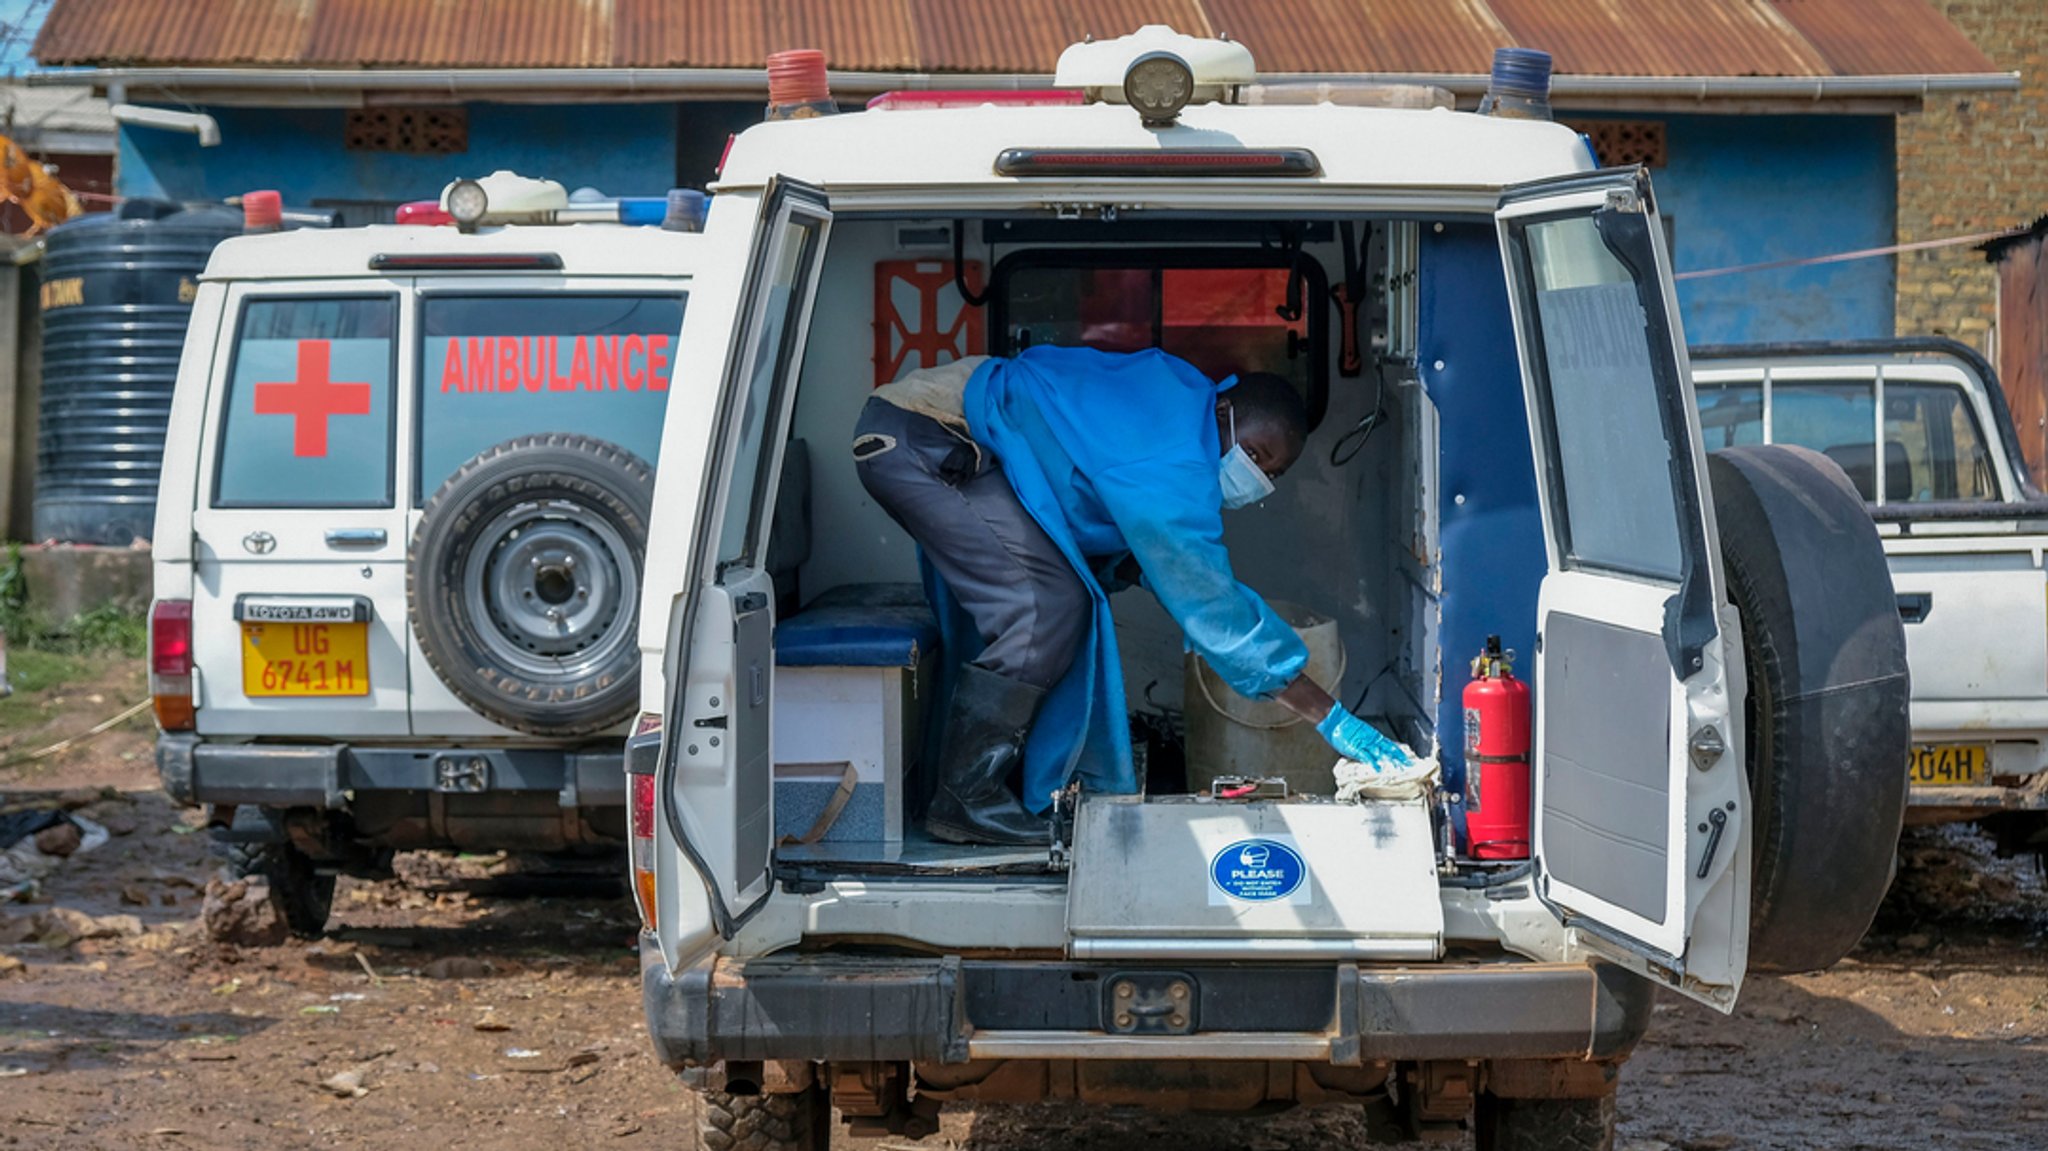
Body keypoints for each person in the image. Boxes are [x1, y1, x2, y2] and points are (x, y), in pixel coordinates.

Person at [852, 346, 1410, 846]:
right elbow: (1208, 604)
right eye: (1257, 455)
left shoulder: (1178, 398)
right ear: (1225, 412)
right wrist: (1332, 718)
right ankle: (965, 800)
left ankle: (992, 786)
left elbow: (1152, 562)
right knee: (1046, 605)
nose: (1258, 477)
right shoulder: (1174, 462)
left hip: (944, 432)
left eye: (1273, 473)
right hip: (931, 433)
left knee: (1058, 599)